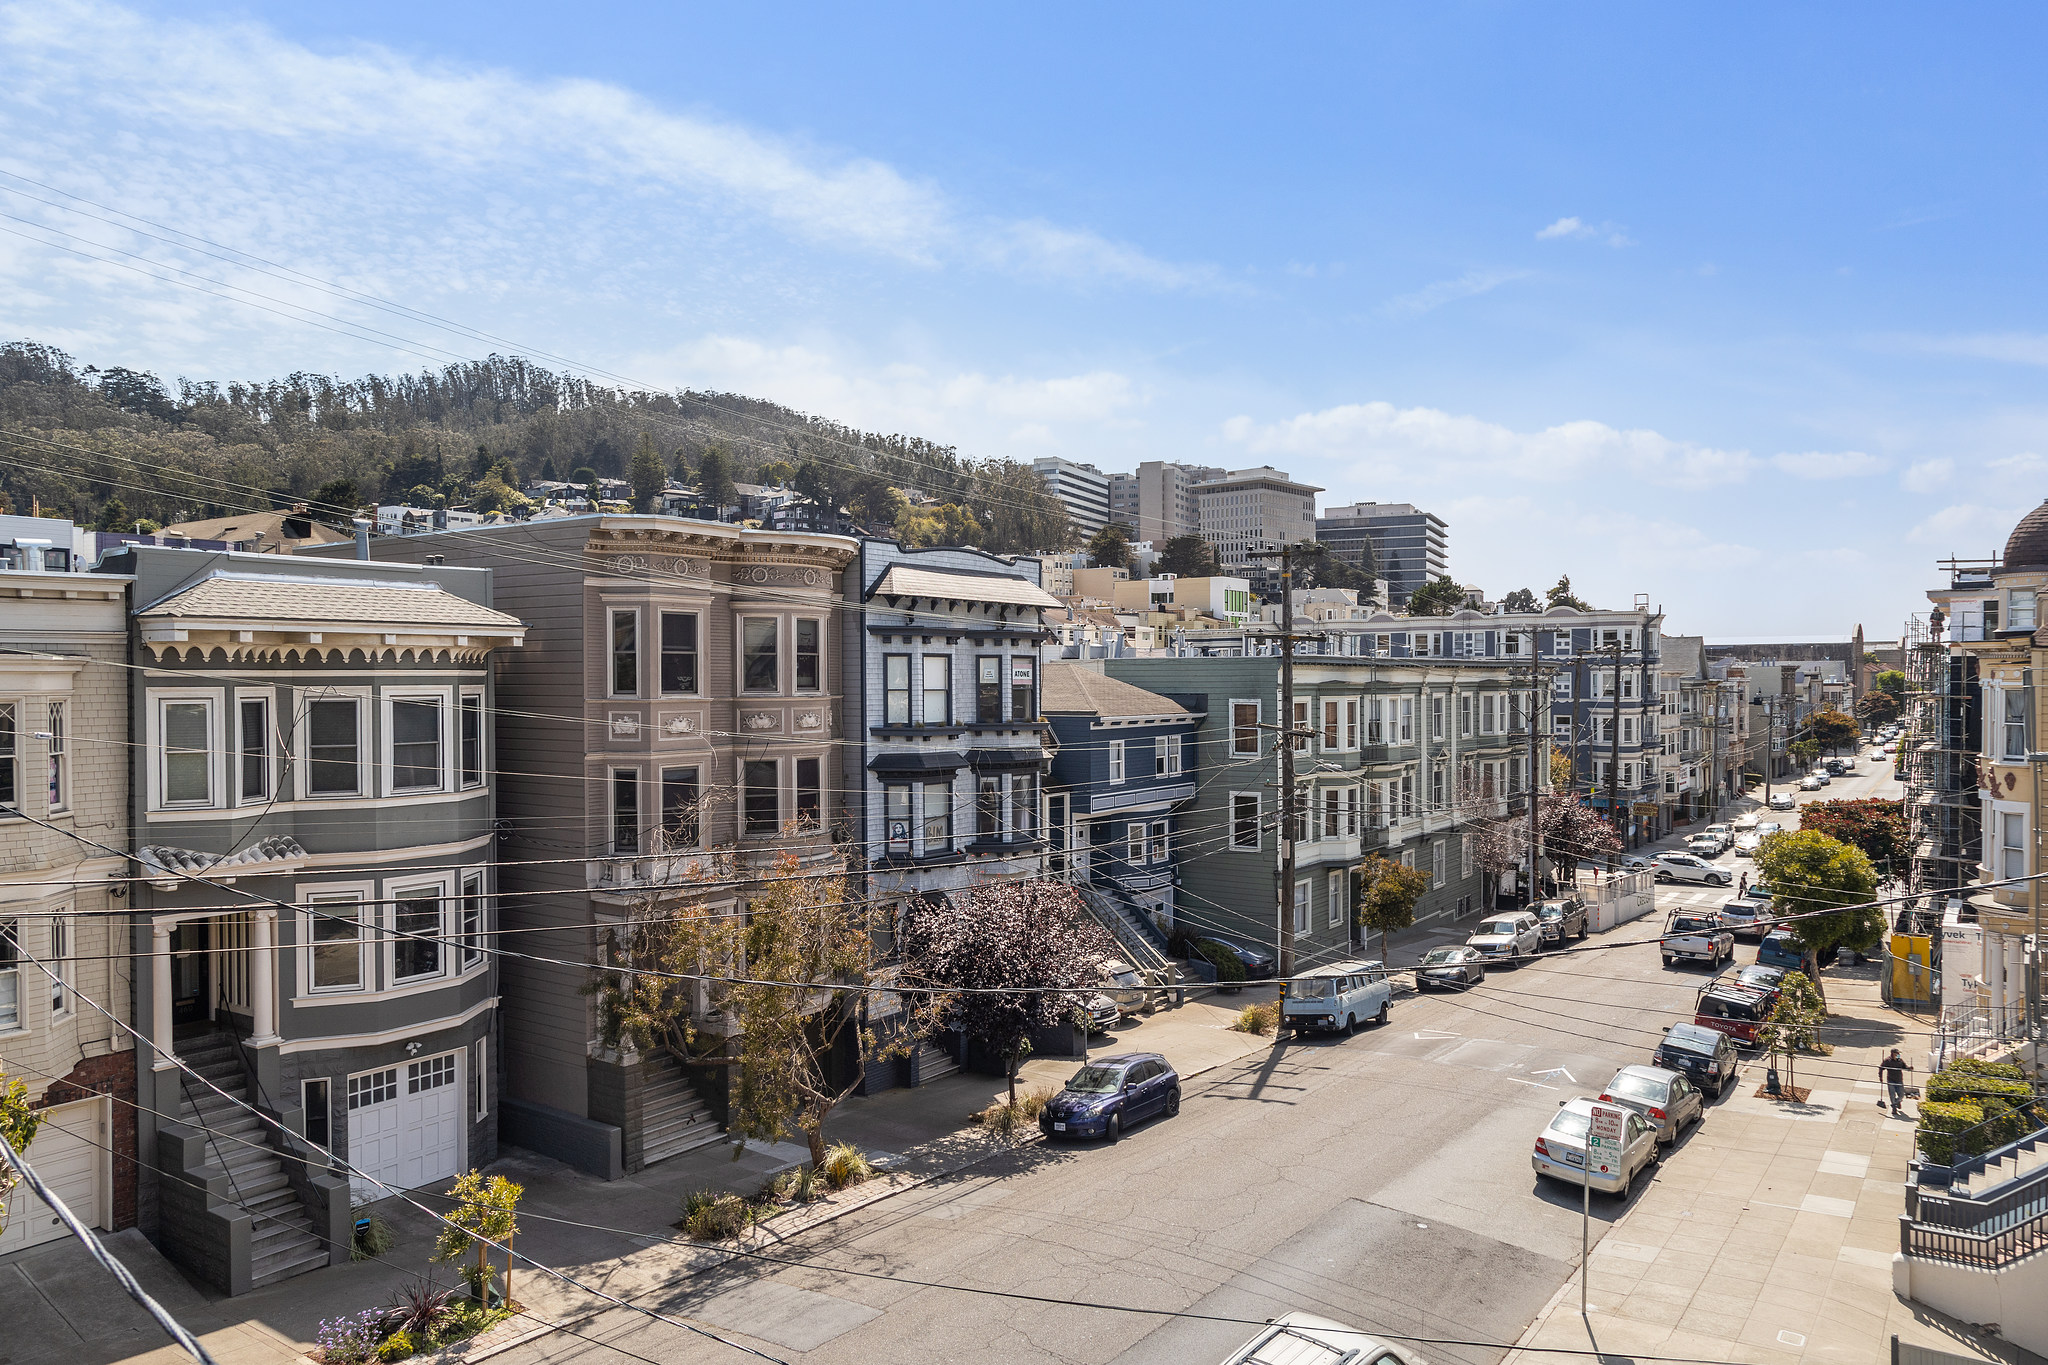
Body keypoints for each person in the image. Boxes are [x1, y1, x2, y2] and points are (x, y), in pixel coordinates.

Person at [1880, 1049, 1911, 1115]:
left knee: (1901, 1094)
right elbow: (1881, 1068)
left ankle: (1897, 1102)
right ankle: (1894, 1108)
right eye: (1896, 1053)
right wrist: (1880, 1077)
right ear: (1893, 1053)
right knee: (1892, 1095)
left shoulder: (1900, 1060)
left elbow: (1904, 1067)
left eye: (1898, 1053)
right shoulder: (1887, 1061)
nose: (1898, 1055)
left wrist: (1909, 1068)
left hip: (1899, 1080)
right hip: (1891, 1080)